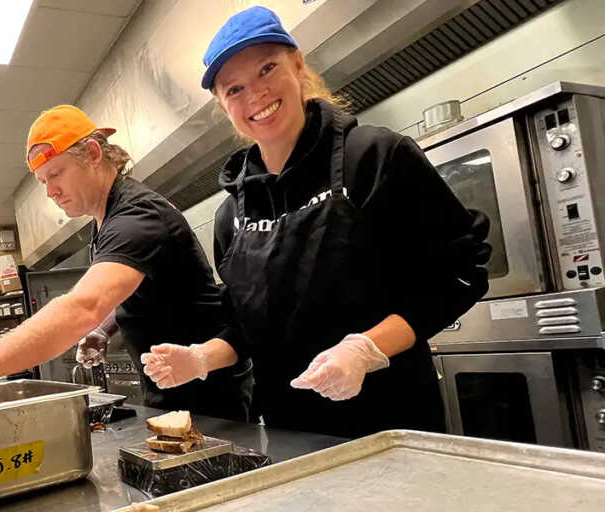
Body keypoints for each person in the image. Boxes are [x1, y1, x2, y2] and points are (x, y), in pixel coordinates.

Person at [140, 6, 491, 438]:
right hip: (291, 436)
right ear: (222, 105)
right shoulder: (232, 213)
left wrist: (366, 349)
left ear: (298, 64)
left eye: (267, 69)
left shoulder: (375, 157)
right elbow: (245, 328)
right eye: (234, 89)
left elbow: (459, 275)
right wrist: (201, 359)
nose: (255, 95)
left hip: (395, 427)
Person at [0, 105, 253, 421]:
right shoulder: (102, 221)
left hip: (210, 394)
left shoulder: (137, 215)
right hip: (167, 388)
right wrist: (103, 328)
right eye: (43, 181)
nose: (50, 191)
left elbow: (82, 305)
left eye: (55, 174)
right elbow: (129, 293)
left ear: (92, 153)